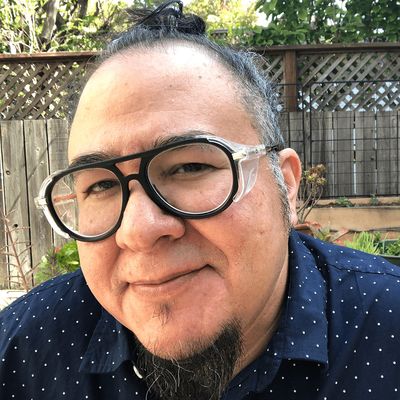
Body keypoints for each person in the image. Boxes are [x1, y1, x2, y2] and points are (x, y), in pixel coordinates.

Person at [1, 2, 400, 399]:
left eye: (189, 166)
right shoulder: (21, 353)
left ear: (287, 185)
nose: (138, 231)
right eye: (101, 186)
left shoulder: (387, 329)